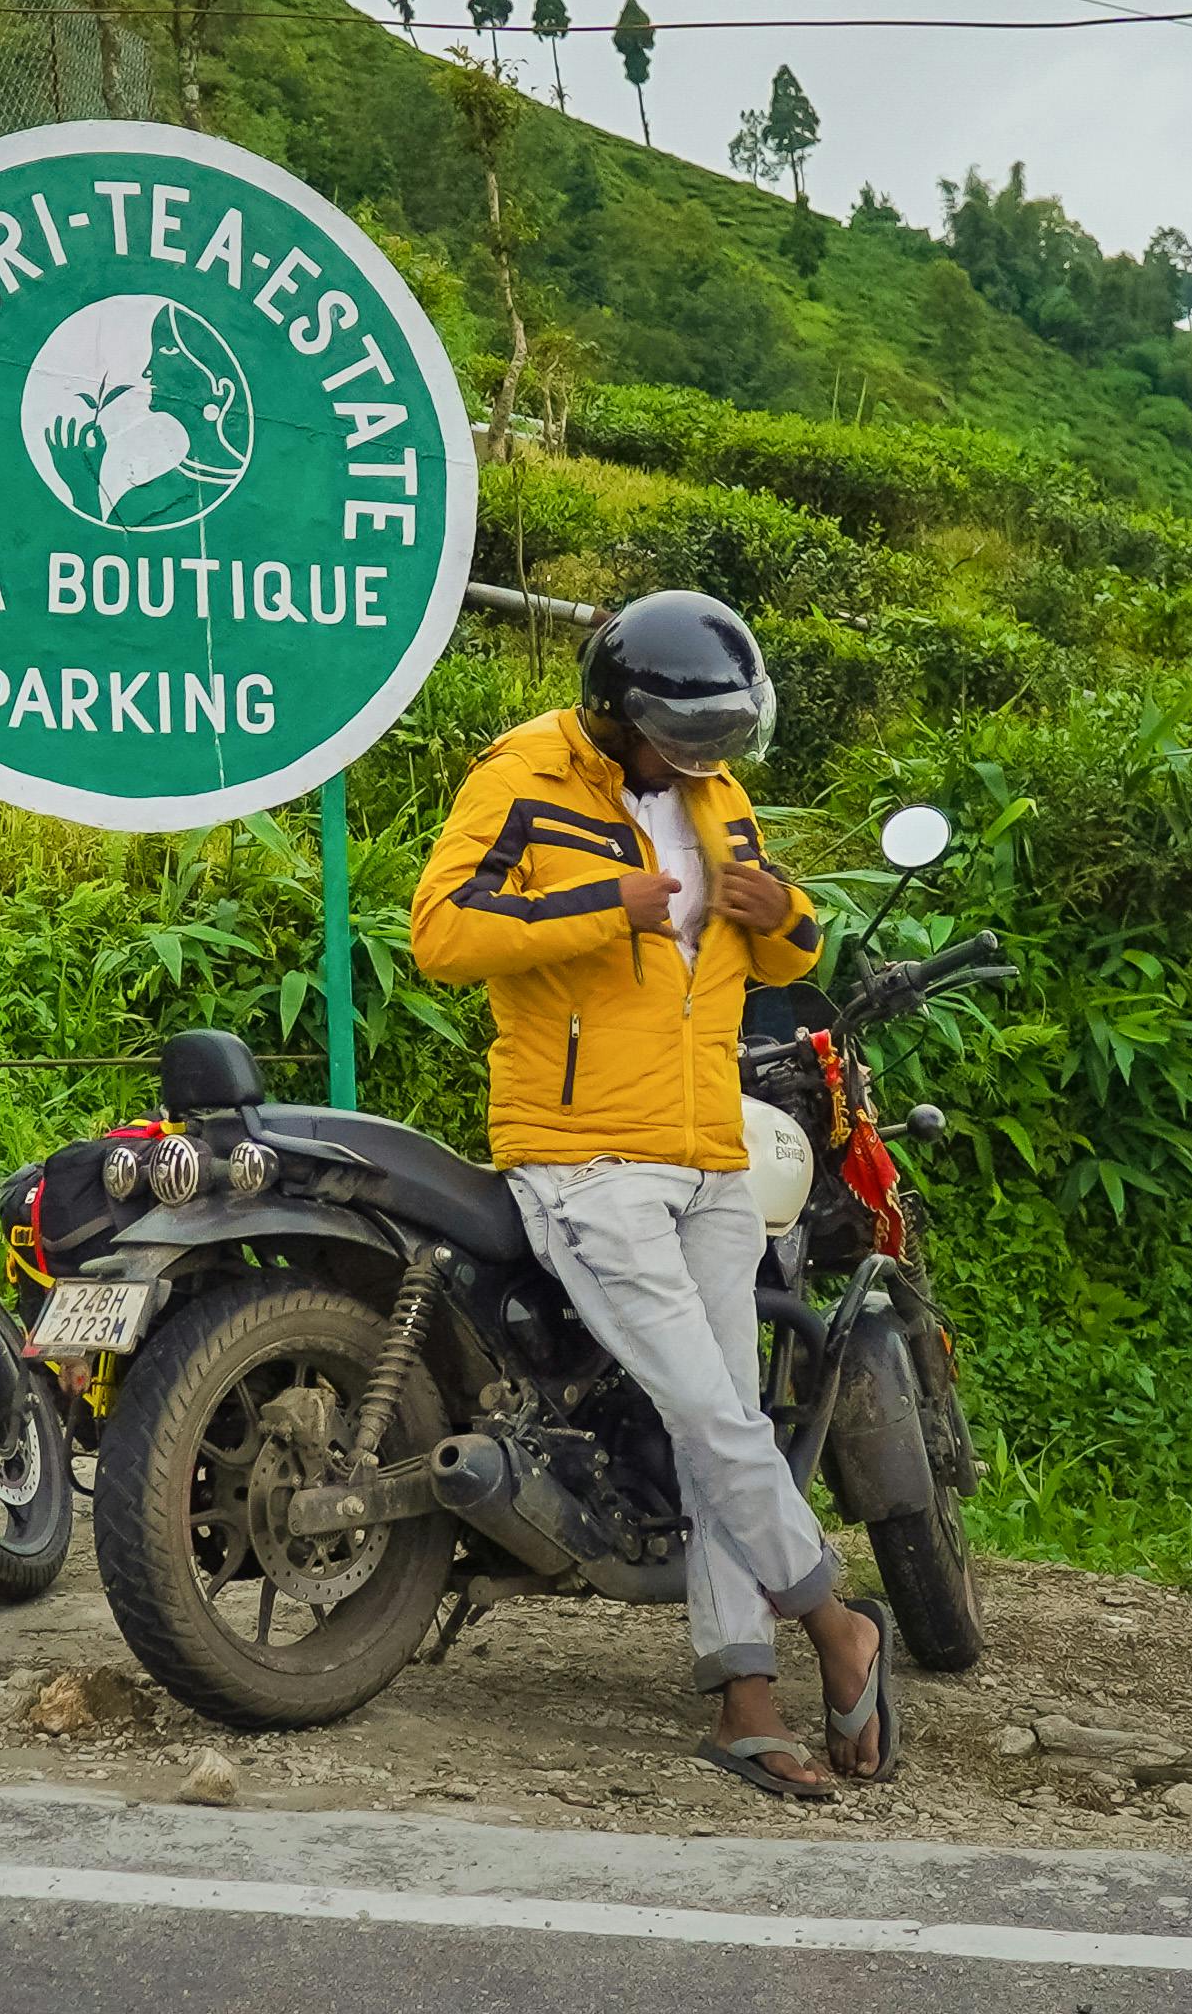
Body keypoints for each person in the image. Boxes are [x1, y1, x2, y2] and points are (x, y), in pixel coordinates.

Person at [407, 590, 896, 1801]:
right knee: (714, 1411)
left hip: (708, 1147)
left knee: (721, 1416)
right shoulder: (523, 774)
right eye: (683, 739)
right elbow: (440, 933)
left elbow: (790, 950)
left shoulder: (715, 790)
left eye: (720, 740)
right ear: (615, 713)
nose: (704, 762)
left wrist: (780, 913)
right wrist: (592, 907)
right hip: (580, 1153)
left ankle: (745, 1698)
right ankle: (837, 1619)